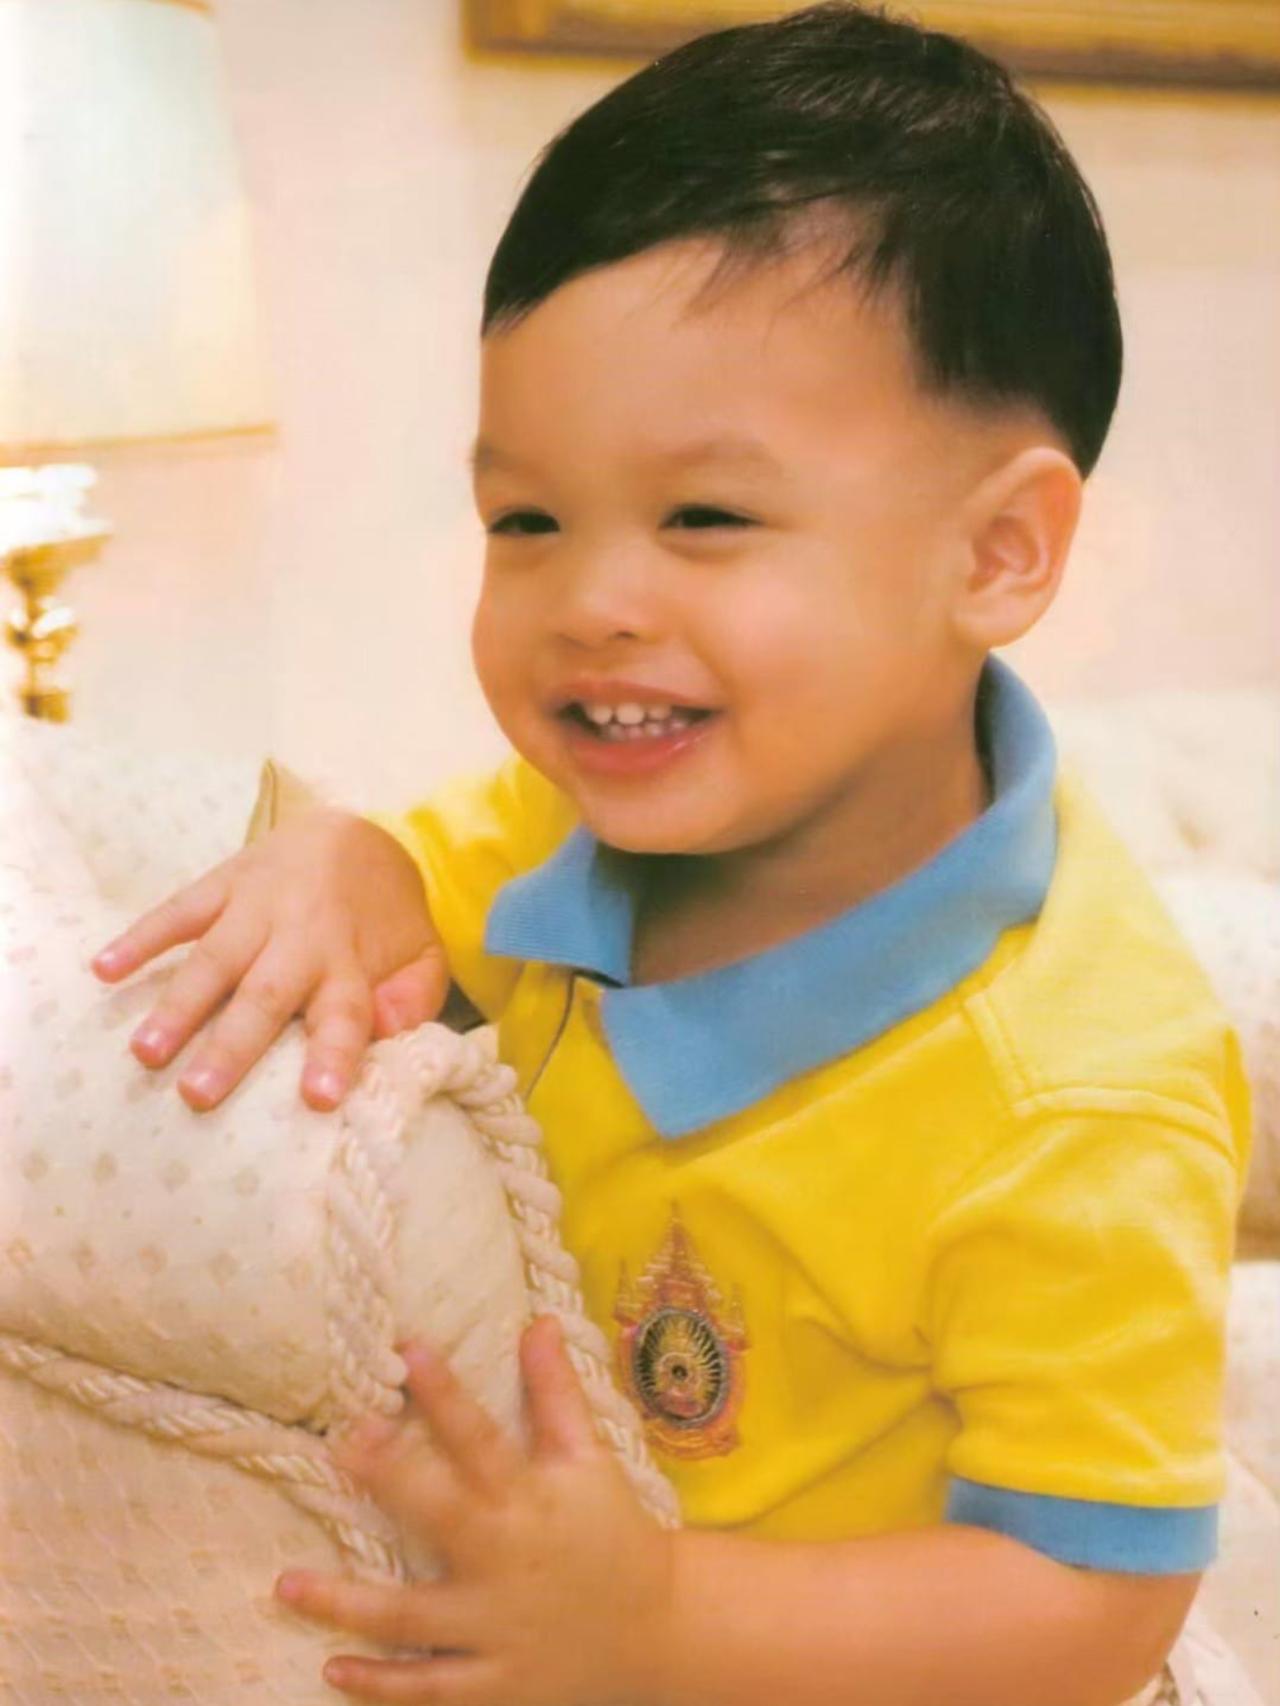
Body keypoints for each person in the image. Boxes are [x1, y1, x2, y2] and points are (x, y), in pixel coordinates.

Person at [90, 5, 1250, 1703]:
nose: (590, 602)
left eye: (705, 516)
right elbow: (417, 872)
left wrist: (660, 1619)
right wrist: (341, 861)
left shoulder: (1078, 1090)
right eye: (526, 519)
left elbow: (1093, 1595)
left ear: (1000, 550)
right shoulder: (568, 824)